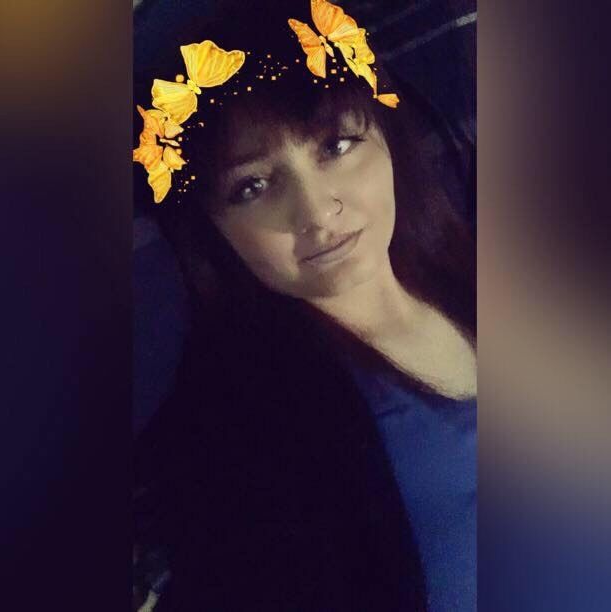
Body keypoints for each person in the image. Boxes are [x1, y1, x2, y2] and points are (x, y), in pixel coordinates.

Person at [133, 1, 476, 610]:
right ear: (213, 229)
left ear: (387, 141)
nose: (317, 212)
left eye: (336, 146)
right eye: (253, 186)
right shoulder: (243, 441)